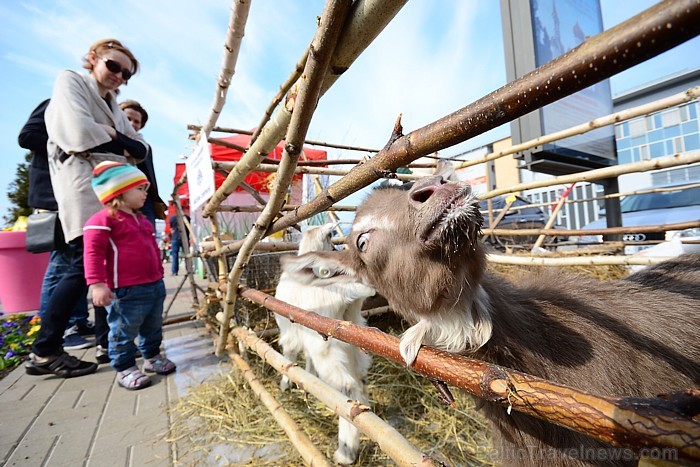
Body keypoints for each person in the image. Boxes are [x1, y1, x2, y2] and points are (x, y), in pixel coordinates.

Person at [26, 38, 149, 378]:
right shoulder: (70, 81)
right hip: (82, 187)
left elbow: (140, 149)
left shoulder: (112, 103)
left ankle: (105, 343)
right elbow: (78, 135)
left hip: (104, 188)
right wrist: (118, 142)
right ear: (93, 58)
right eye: (113, 66)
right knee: (83, 266)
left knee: (102, 267)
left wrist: (114, 136)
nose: (119, 76)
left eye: (126, 74)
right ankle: (45, 349)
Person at [84, 161, 175, 390]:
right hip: (125, 290)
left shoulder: (141, 219)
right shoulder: (102, 221)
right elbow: (92, 253)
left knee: (153, 326)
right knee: (123, 330)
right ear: (118, 191)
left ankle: (152, 357)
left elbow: (152, 249)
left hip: (153, 285)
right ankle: (124, 367)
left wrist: (159, 274)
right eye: (140, 189)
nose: (145, 194)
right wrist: (97, 285)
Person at [18, 99, 94, 351]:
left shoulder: (83, 110)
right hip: (54, 195)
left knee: (78, 261)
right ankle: (58, 332)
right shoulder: (58, 104)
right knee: (61, 264)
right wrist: (68, 147)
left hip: (74, 194)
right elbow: (27, 136)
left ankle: (78, 321)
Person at [118, 100, 166, 229]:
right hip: (117, 196)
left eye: (136, 121)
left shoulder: (145, 148)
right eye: (127, 119)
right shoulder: (105, 138)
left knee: (147, 236)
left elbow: (149, 176)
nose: (131, 124)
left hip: (144, 200)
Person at [168, 210, 190, 276]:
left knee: (175, 255)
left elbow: (171, 227)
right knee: (187, 255)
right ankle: (189, 269)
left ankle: (174, 271)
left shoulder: (172, 218)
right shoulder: (187, 218)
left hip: (175, 237)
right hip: (185, 238)